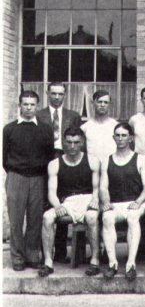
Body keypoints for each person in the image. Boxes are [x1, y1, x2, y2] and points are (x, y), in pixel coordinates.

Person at [38, 127, 101, 277]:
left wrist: (95, 199)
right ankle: (48, 262)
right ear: (64, 143)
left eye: (76, 142)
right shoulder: (55, 164)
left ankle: (95, 260)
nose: (72, 146)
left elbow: (97, 188)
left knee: (92, 217)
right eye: (69, 142)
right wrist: (57, 205)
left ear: (82, 143)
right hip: (68, 202)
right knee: (47, 217)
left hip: (87, 199)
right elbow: (52, 193)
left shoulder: (92, 161)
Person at [3, 90, 54, 271]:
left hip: (38, 178)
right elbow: (5, 158)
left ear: (37, 106)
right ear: (20, 105)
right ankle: (17, 258)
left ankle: (32, 256)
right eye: (25, 104)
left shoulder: (45, 128)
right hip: (16, 176)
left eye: (32, 104)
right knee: (16, 220)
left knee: (35, 219)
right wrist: (15, 174)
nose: (29, 108)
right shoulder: (9, 129)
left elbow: (49, 156)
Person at [36, 82, 82, 263]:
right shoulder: (39, 115)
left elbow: (78, 141)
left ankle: (62, 252)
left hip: (66, 161)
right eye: (53, 93)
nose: (56, 97)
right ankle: (44, 252)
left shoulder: (73, 115)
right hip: (44, 160)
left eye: (60, 94)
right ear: (47, 93)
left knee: (63, 203)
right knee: (44, 206)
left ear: (65, 95)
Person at [100, 123, 145, 281]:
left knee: (133, 217)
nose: (120, 138)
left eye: (124, 135)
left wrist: (138, 201)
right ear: (113, 137)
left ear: (130, 138)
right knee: (107, 217)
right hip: (116, 203)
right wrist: (106, 202)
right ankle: (112, 263)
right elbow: (103, 186)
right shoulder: (107, 160)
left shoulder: (140, 159)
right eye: (118, 135)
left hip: (135, 203)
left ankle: (130, 264)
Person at [81, 90, 119, 163]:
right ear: (93, 103)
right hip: (92, 168)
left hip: (112, 167)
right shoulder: (85, 127)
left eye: (106, 102)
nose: (102, 105)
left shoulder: (115, 126)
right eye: (99, 102)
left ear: (109, 105)